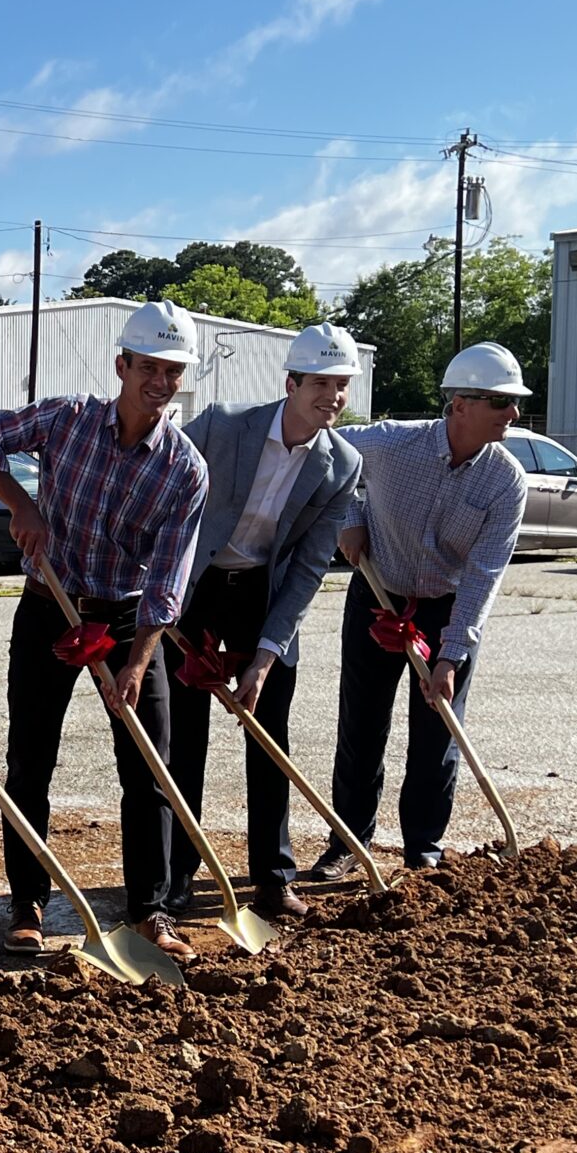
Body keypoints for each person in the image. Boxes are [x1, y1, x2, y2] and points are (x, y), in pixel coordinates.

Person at [0, 300, 209, 959]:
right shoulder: (67, 419)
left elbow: (169, 577)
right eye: (148, 366)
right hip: (50, 604)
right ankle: (27, 904)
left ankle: (149, 911)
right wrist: (22, 504)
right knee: (30, 758)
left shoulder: (185, 469)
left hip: (128, 618)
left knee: (150, 766)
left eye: (173, 370)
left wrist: (137, 660)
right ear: (122, 364)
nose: (159, 380)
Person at [308, 341, 531, 878]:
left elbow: (484, 573)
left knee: (438, 734)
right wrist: (350, 516)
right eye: (501, 402)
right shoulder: (391, 443)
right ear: (460, 405)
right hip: (378, 596)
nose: (514, 414)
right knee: (362, 727)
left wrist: (452, 655)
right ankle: (347, 845)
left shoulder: (505, 480)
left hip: (447, 610)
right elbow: (322, 448)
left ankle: (423, 848)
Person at [165, 321, 364, 920]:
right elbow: (167, 492)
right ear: (291, 382)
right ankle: (174, 875)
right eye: (320, 384)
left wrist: (267, 653)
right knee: (183, 734)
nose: (331, 396)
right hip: (194, 584)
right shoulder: (223, 425)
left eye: (341, 385)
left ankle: (273, 877)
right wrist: (160, 600)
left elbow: (308, 569)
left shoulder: (341, 465)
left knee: (270, 732)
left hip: (262, 591)